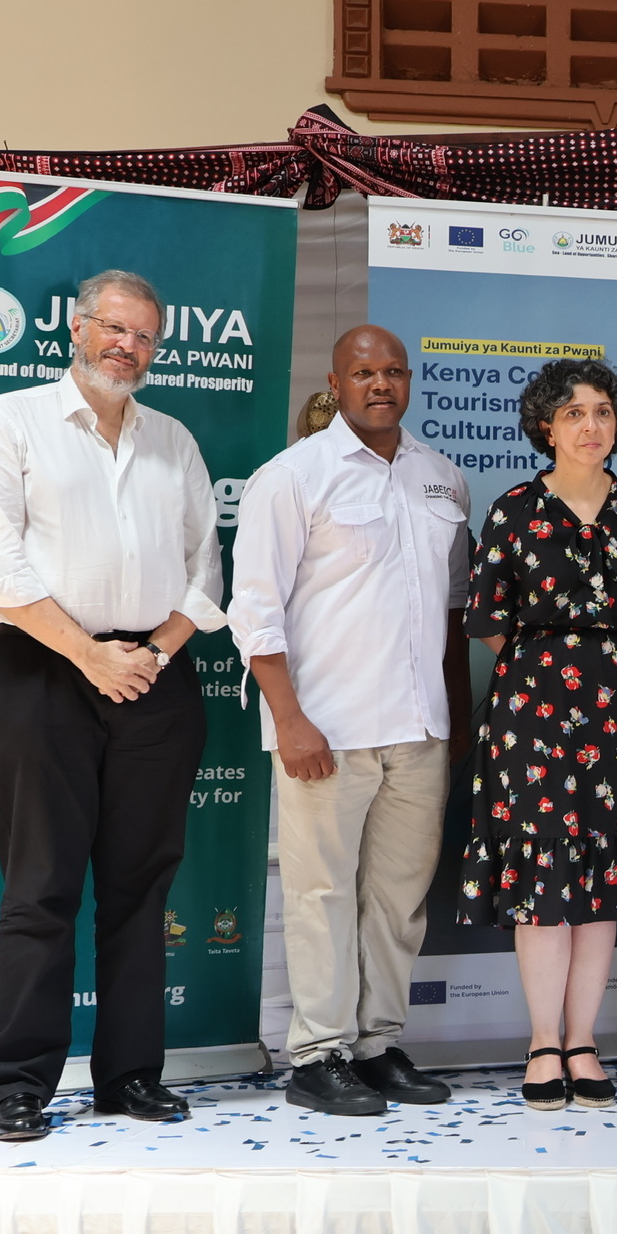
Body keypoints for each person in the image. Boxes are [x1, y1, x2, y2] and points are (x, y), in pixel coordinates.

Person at [0, 269, 225, 1142]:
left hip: (154, 674)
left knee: (142, 888)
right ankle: (21, 1083)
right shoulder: (11, 421)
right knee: (41, 884)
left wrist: (151, 654)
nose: (127, 346)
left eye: (144, 335)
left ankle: (131, 1076)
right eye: (114, 328)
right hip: (40, 671)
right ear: (76, 328)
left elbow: (203, 568)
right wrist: (87, 655)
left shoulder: (174, 439)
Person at [229, 325, 472, 1117]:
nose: (381, 383)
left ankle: (377, 1044)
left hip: (418, 730)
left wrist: (455, 725)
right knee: (320, 892)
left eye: (394, 371)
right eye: (364, 372)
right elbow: (255, 613)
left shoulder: (441, 479)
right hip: (324, 731)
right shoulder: (292, 476)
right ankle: (319, 1052)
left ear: (410, 380)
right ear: (335, 382)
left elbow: (453, 613)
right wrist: (289, 719)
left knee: (397, 897)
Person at [459, 358, 617, 1108]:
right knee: (541, 881)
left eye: (602, 411)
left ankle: (584, 1041)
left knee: (602, 881)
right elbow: (488, 620)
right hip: (533, 714)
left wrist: (598, 671)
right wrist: (553, 670)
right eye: (573, 413)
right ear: (545, 426)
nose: (591, 425)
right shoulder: (514, 510)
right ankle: (541, 1044)